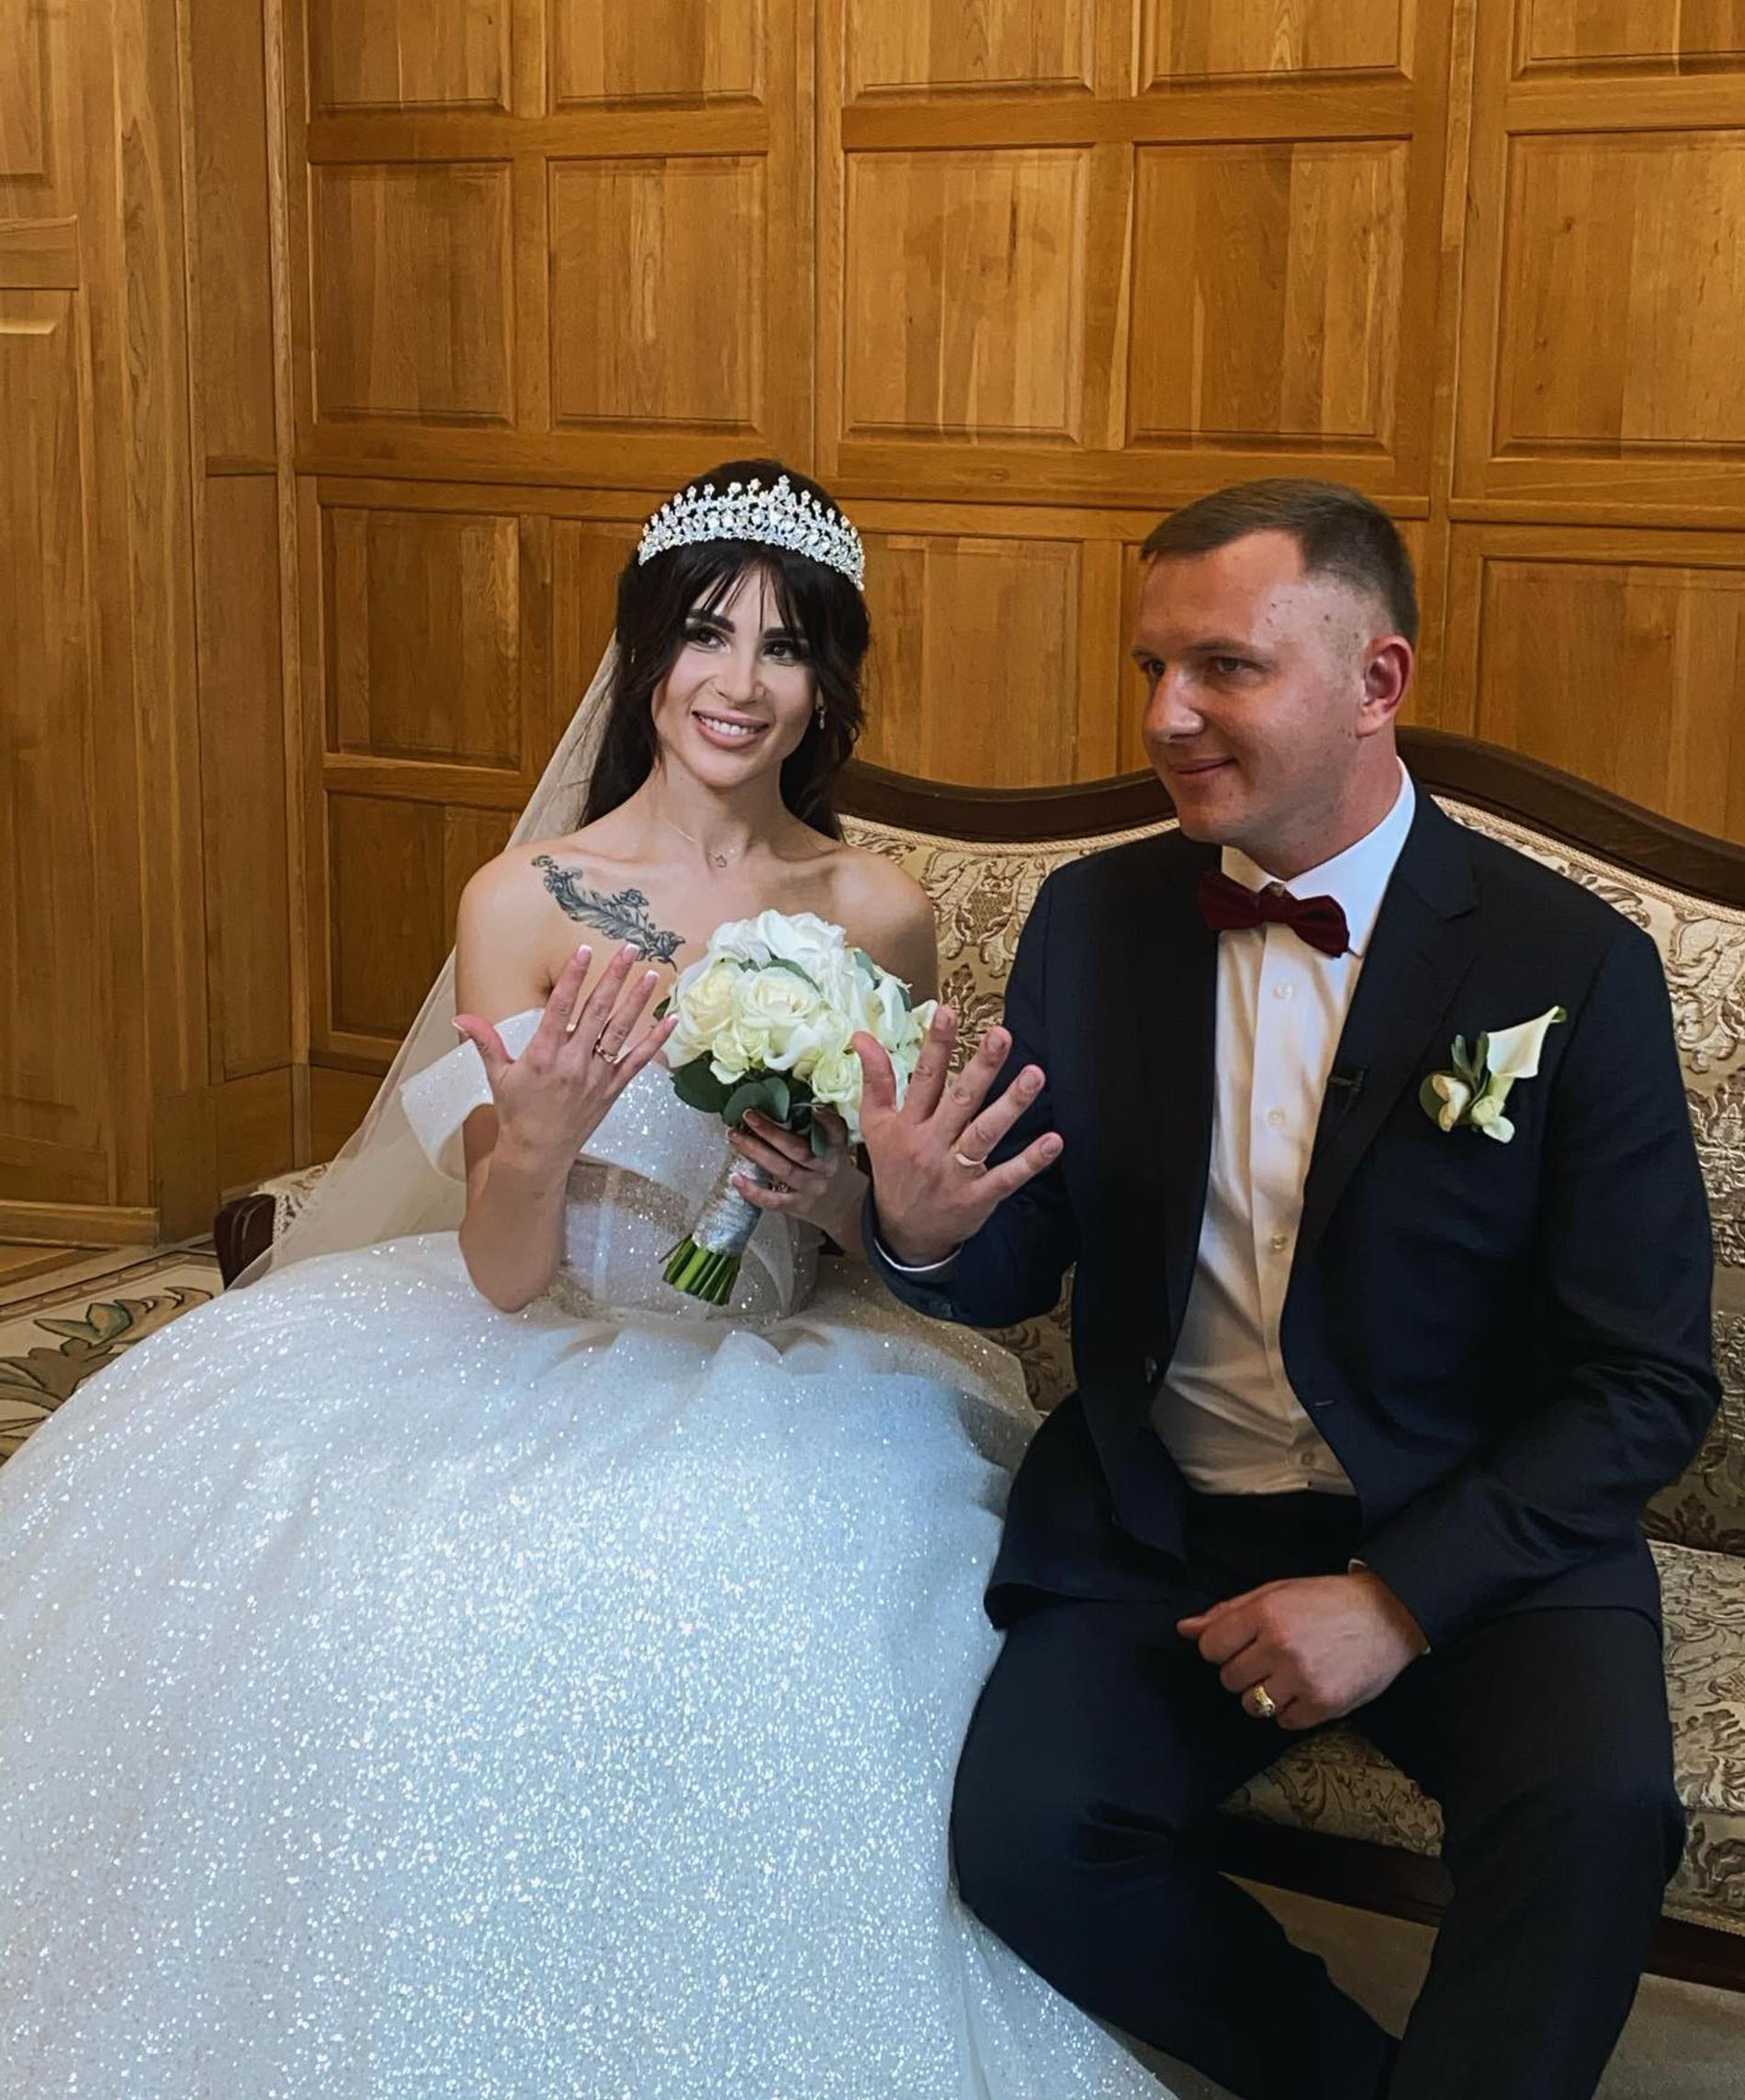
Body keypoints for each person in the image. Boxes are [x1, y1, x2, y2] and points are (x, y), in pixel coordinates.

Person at [0, 462, 1176, 2097]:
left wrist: (848, 1201)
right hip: (537, 1337)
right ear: (643, 653)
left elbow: (888, 1233)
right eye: (706, 635)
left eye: (785, 646)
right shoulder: (523, 902)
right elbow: (500, 1275)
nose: (740, 683)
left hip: (788, 1362)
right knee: (424, 1610)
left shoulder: (876, 910)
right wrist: (537, 1142)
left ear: (827, 680)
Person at [859, 478, 1717, 2100]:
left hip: (1479, 1520)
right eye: (1153, 668)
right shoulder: (1094, 920)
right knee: (1031, 1839)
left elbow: (1649, 1379)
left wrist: (1396, 1598)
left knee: (1595, 1816)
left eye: (1226, 668)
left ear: (1377, 681)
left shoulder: (1567, 963)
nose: (1166, 716)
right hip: (1169, 1520)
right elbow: (1023, 1260)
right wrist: (920, 1228)